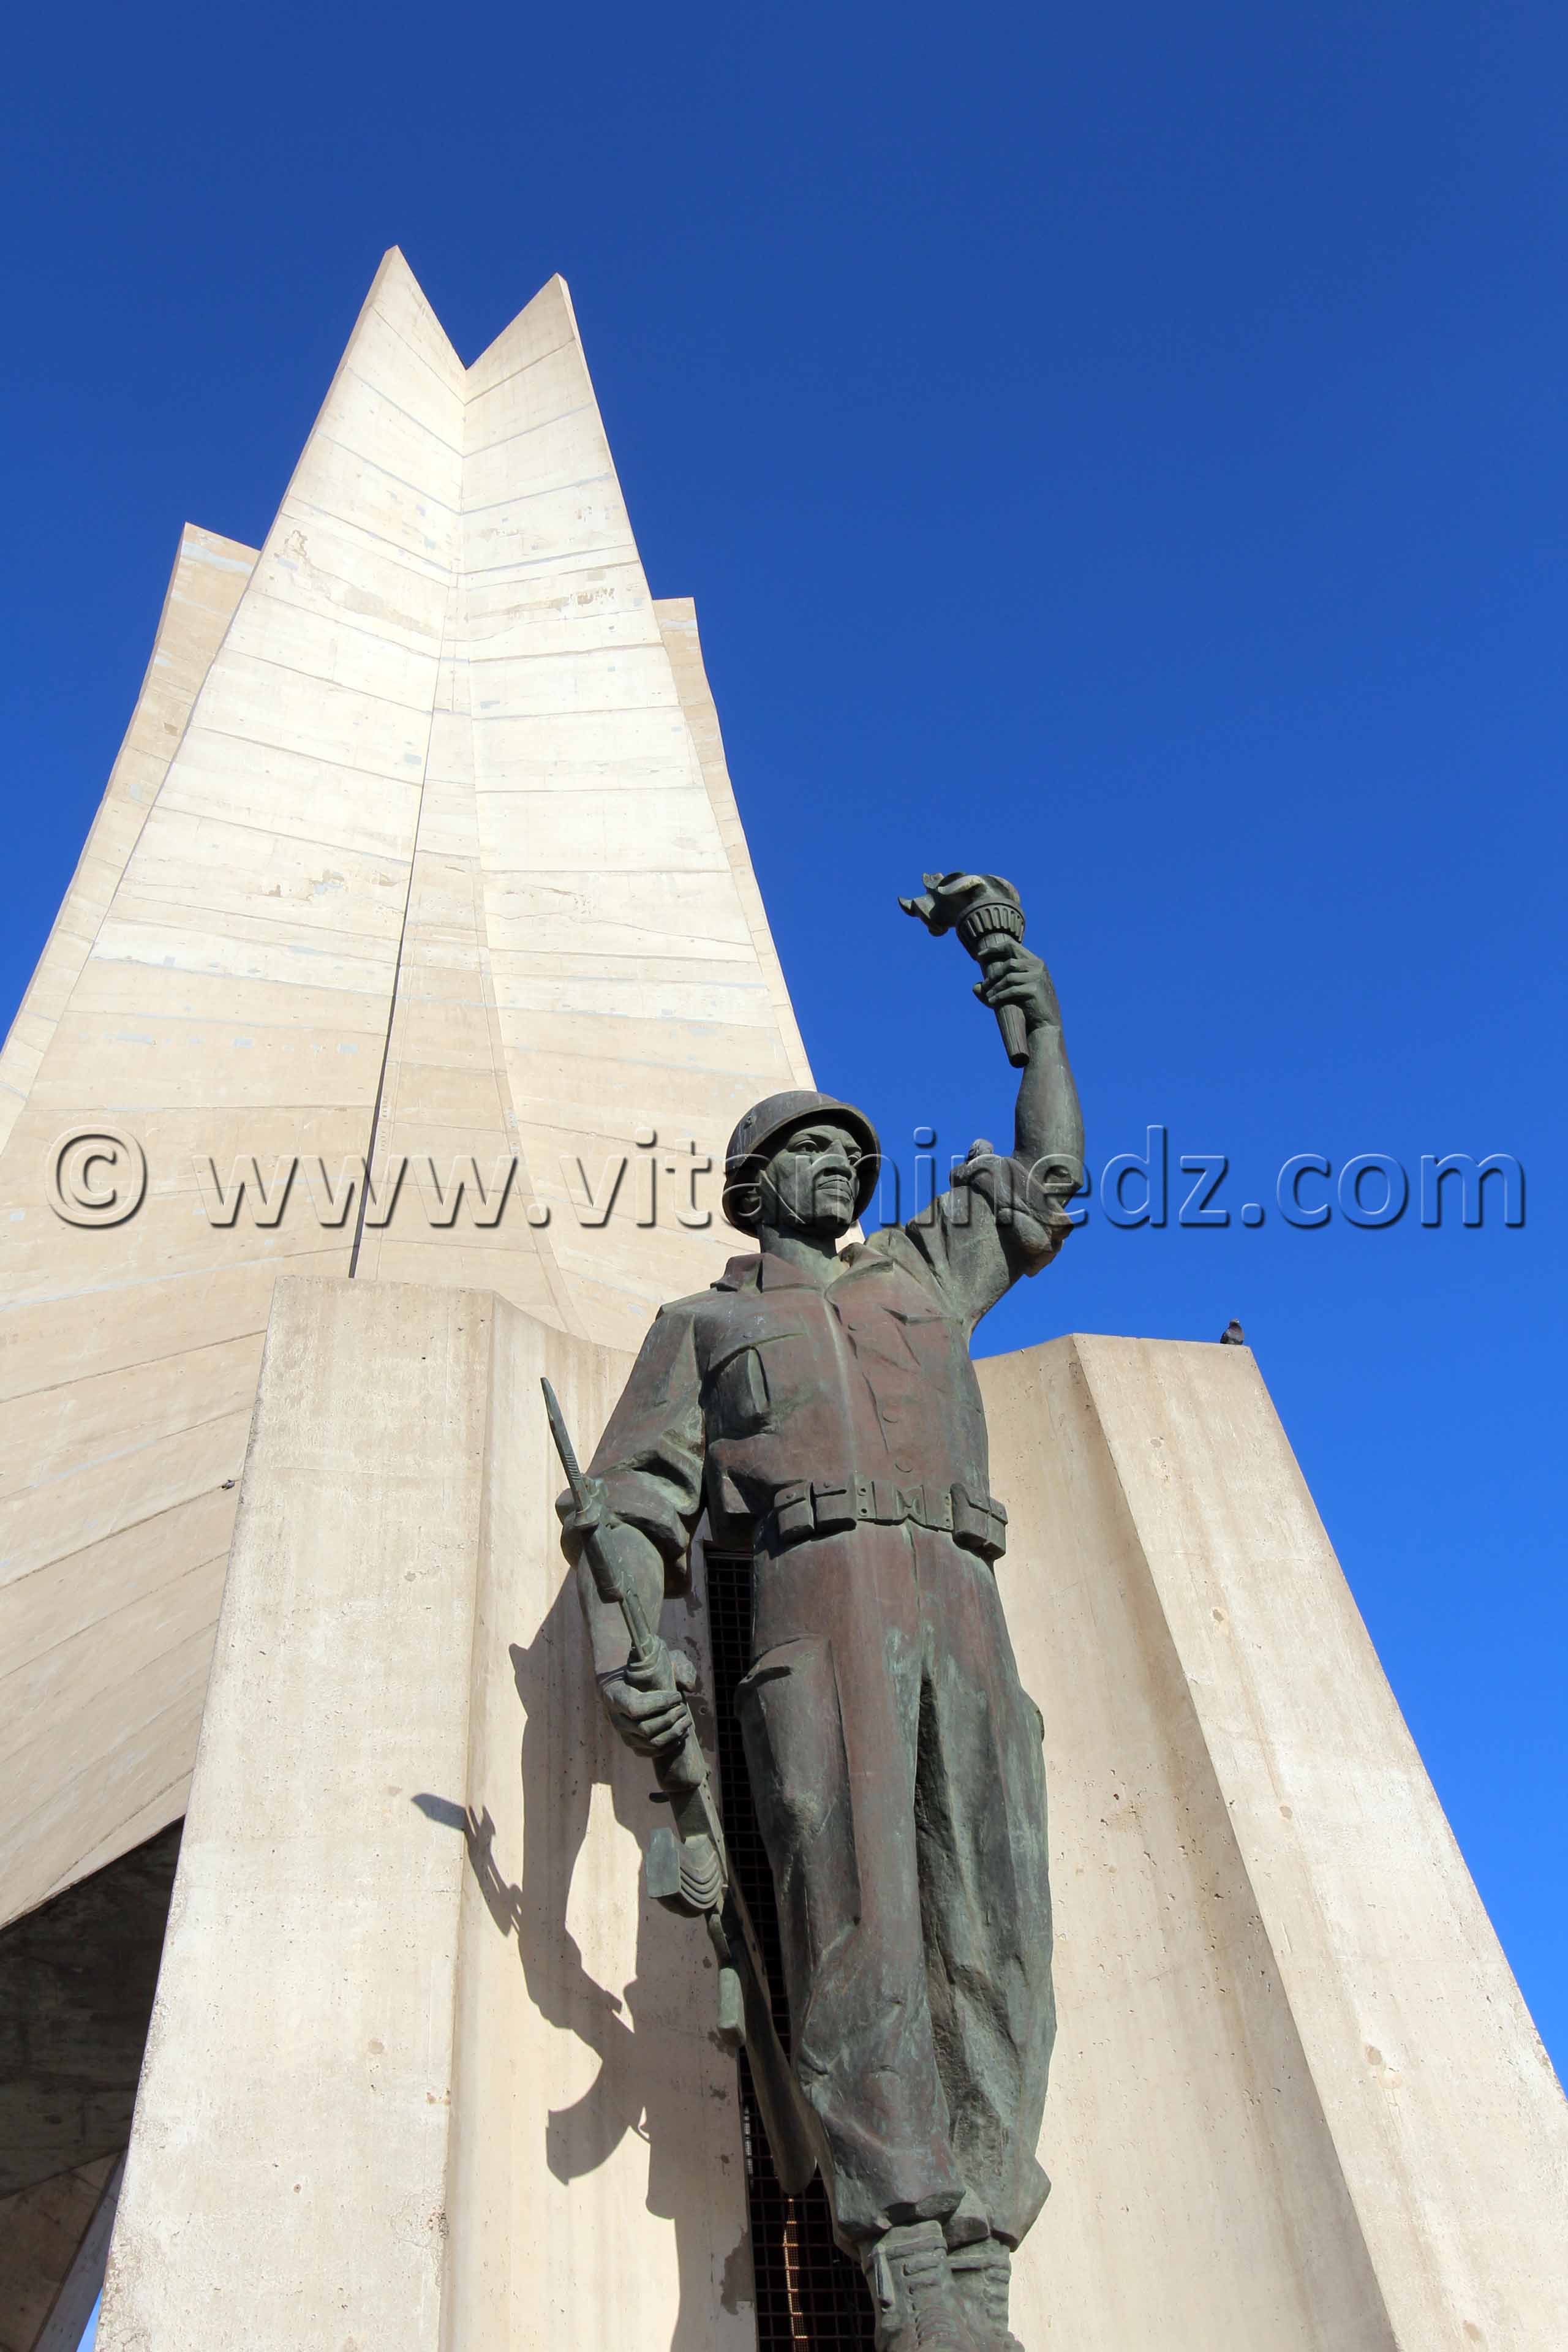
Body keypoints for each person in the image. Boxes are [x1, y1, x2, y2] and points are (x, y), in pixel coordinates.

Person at [557, 917, 1083, 2352]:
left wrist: (1028, 1022)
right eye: (808, 1148)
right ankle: (905, 2252)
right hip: (813, 1597)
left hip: (957, 1594)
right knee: (853, 1912)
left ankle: (981, 2248)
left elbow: (1044, 1182)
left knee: (992, 1914)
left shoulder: (920, 1277)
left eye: (850, 1148)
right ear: (754, 1187)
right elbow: (620, 1502)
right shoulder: (704, 1327)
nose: (840, 1162)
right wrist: (635, 1653)